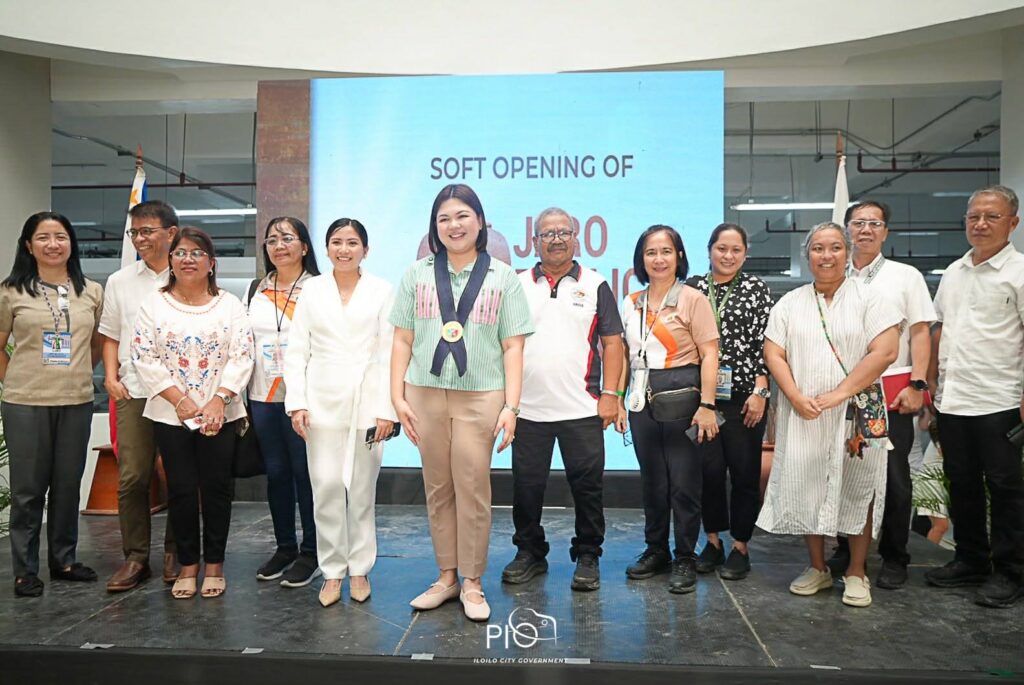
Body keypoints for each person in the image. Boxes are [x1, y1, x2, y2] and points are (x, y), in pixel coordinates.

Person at [390, 184, 533, 622]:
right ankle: (446, 577)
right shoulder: (416, 274)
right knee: (437, 487)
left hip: (482, 395)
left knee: (473, 488)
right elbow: (402, 338)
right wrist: (396, 396)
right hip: (426, 394)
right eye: (444, 218)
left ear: (480, 222)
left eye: (462, 216)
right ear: (435, 227)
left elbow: (513, 347)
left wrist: (512, 406)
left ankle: (472, 581)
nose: (454, 225)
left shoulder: (502, 277)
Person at [758, 221, 899, 608]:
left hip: (857, 412)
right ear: (808, 256)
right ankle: (818, 567)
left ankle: (856, 571)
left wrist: (840, 393)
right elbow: (774, 353)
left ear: (847, 251)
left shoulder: (871, 298)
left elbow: (884, 351)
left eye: (835, 247)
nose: (826, 255)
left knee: (859, 488)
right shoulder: (791, 302)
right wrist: (795, 395)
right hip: (806, 411)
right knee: (809, 486)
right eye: (818, 248)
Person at [502, 207, 624, 592]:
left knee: (588, 488)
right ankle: (530, 553)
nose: (555, 238)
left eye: (563, 232)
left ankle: (588, 554)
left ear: (576, 238)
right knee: (526, 487)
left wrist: (611, 395)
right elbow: (504, 344)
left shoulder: (596, 283)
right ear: (534, 242)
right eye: (546, 233)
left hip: (583, 408)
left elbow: (613, 343)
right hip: (528, 410)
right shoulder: (516, 283)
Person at [131, 227, 254, 599]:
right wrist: (180, 401)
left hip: (221, 415)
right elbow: (143, 356)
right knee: (182, 489)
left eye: (197, 253)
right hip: (171, 415)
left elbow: (242, 354)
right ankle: (188, 564)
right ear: (171, 260)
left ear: (211, 263)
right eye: (181, 253)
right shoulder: (153, 304)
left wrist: (219, 400)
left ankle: (214, 564)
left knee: (217, 490)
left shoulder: (229, 305)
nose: (188, 259)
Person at [284, 218, 397, 607]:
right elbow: (297, 348)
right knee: (327, 485)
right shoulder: (312, 290)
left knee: (362, 489)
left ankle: (359, 568)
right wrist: (296, 402)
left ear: (366, 249)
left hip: (368, 400)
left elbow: (388, 354)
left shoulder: (382, 290)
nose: (343, 249)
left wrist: (387, 409)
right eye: (336, 242)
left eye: (352, 242)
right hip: (321, 398)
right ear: (327, 248)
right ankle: (332, 570)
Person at [824, 200, 936, 590]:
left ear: (886, 231)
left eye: (874, 224)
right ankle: (844, 546)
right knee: (843, 472)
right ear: (846, 230)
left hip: (890, 390)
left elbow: (921, 332)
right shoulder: (835, 275)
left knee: (893, 477)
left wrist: (918, 384)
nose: (866, 230)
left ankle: (894, 554)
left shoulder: (905, 277)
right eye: (858, 224)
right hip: (842, 390)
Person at [925, 185, 1024, 608]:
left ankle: (1011, 572)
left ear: (1013, 223)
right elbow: (938, 328)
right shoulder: (955, 271)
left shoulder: (1019, 272)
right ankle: (970, 560)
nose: (981, 224)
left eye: (992, 217)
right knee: (961, 483)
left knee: (1005, 489)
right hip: (954, 398)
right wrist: (929, 384)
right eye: (974, 217)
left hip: (1001, 398)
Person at [1, 212, 104, 598]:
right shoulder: (11, 291)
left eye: (60, 236)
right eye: (43, 237)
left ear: (71, 243)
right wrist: (18, 381)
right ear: (29, 246)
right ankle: (25, 570)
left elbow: (95, 345)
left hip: (76, 400)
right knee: (28, 490)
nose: (53, 244)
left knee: (66, 485)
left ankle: (63, 559)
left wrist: (75, 372)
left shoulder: (91, 291)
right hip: (25, 402)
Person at [615, 224, 720, 595]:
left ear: (678, 256)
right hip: (642, 398)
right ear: (640, 260)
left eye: (666, 251)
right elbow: (627, 356)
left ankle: (686, 556)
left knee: (684, 482)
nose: (658, 259)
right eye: (650, 253)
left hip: (684, 398)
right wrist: (618, 399)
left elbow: (710, 354)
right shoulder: (630, 302)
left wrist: (707, 405)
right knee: (653, 481)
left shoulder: (693, 299)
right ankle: (656, 549)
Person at [100, 200, 180, 592]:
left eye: (147, 231)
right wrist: (110, 377)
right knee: (133, 477)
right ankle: (135, 558)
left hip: (182, 393)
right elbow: (111, 334)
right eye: (134, 232)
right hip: (133, 390)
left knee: (181, 475)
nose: (139, 238)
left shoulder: (188, 273)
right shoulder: (119, 281)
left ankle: (175, 552)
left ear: (171, 233)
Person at [686, 223, 772, 581]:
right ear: (709, 250)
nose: (728, 255)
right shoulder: (692, 288)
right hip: (701, 398)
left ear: (745, 254)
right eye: (722, 248)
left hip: (743, 399)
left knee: (744, 472)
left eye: (736, 250)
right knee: (706, 472)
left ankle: (740, 545)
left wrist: (761, 391)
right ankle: (712, 540)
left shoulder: (757, 289)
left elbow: (770, 345)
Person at [246, 217, 321, 588]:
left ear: (304, 247)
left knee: (305, 475)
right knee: (276, 474)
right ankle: (285, 546)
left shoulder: (318, 289)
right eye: (272, 239)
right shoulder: (257, 289)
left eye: (288, 238)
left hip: (303, 398)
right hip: (263, 396)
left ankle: (313, 551)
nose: (279, 245)